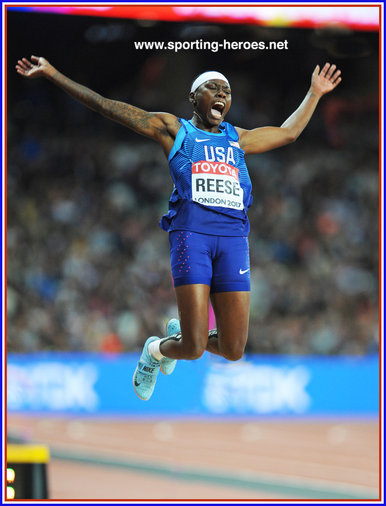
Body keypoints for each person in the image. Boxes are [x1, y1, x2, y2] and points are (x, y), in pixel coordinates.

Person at [16, 56, 342, 401]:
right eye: (213, 88)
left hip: (234, 241)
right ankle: (155, 352)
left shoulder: (238, 138)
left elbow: (289, 133)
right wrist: (54, 74)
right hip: (192, 237)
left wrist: (315, 93)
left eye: (227, 91)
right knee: (194, 347)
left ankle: (176, 337)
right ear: (193, 98)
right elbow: (106, 106)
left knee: (233, 349)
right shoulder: (174, 129)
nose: (222, 94)